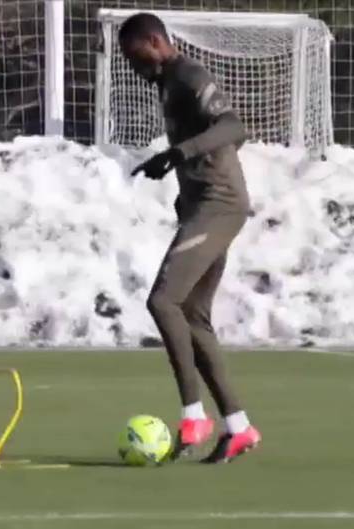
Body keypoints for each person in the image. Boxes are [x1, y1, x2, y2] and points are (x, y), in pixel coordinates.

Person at [119, 12, 261, 464]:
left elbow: (234, 128)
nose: (132, 65)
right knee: (194, 317)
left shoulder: (188, 74)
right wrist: (182, 175)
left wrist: (181, 153)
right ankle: (238, 428)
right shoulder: (166, 82)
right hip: (202, 206)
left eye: (134, 54)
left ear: (156, 41)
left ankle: (193, 416)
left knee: (162, 302)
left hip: (219, 207)